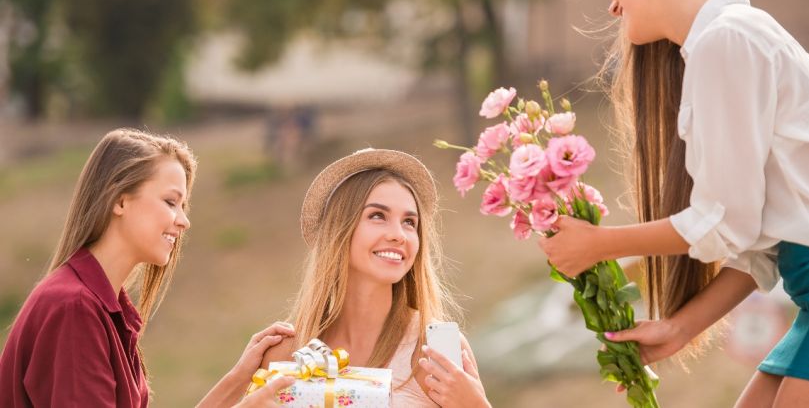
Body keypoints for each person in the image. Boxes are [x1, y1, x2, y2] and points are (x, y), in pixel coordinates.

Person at [536, 0, 809, 406]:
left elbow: (721, 222)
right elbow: (755, 241)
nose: (610, 1)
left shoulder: (729, 40)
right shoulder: (732, 40)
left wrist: (601, 245)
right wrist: (680, 327)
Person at [0, 128, 294, 407]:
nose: (183, 220)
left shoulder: (105, 310)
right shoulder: (75, 309)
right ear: (120, 201)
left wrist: (240, 379)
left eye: (183, 206)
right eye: (170, 202)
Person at [262, 148, 491, 407]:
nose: (398, 235)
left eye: (409, 222)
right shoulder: (286, 353)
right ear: (340, 230)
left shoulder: (435, 354)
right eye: (378, 216)